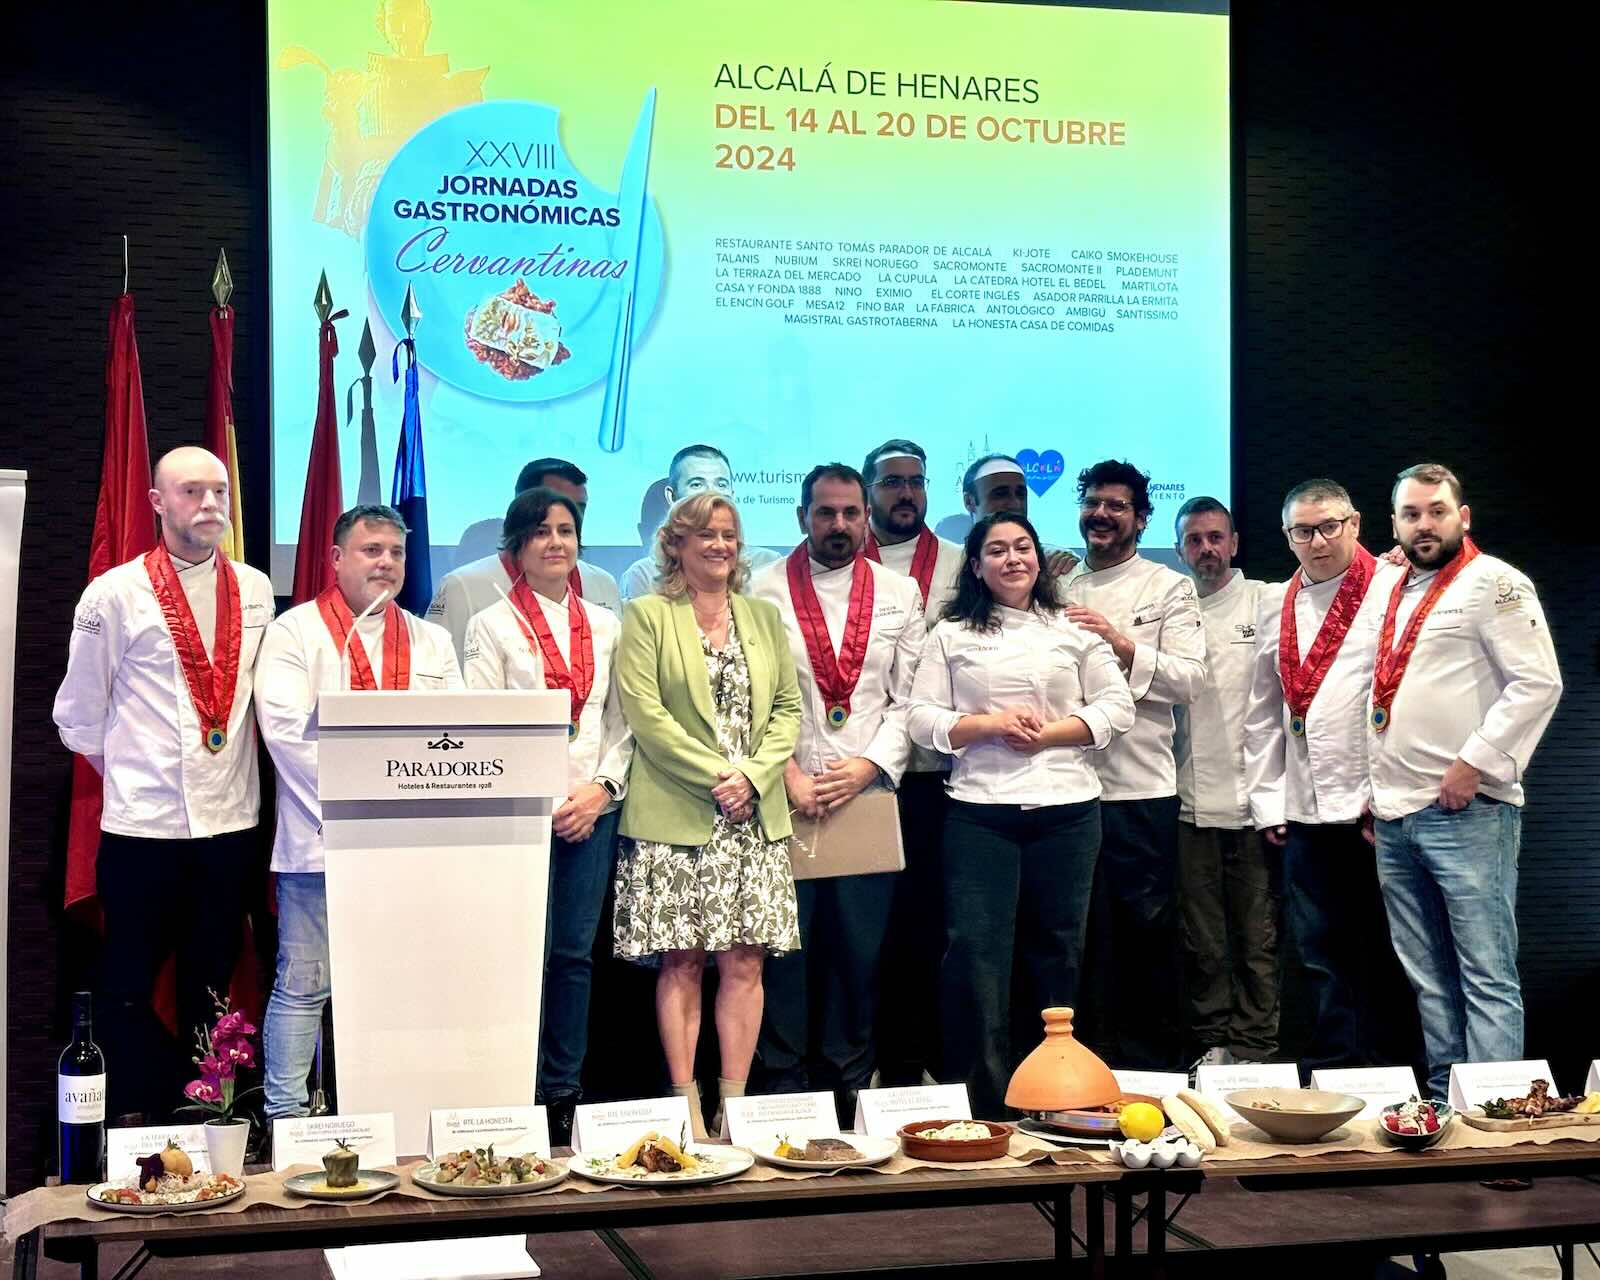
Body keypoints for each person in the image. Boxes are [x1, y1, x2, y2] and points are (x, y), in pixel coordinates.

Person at [54, 446, 275, 1121]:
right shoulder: (114, 594)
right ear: (157, 503)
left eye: (218, 491)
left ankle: (207, 1120)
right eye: (189, 492)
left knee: (212, 981)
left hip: (230, 827)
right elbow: (78, 715)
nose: (209, 505)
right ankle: (124, 1123)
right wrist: (136, 768)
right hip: (142, 829)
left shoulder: (258, 587)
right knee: (126, 983)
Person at [908, 512, 1134, 1118]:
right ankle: (984, 1099)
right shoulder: (949, 634)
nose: (1014, 559)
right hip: (979, 814)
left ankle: (1054, 1097)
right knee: (976, 953)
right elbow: (920, 719)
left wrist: (1051, 735)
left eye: (1024, 547)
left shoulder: (1073, 627)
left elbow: (1118, 707)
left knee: (1058, 951)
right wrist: (988, 726)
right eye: (998, 550)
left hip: (1068, 811)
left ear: (1038, 557)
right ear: (976, 566)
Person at [254, 504, 462, 1120]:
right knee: (303, 983)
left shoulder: (431, 639)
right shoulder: (296, 633)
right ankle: (285, 1118)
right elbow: (287, 734)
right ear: (336, 558)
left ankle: (390, 1110)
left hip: (410, 850)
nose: (387, 562)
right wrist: (376, 797)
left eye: (396, 552)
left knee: (398, 988)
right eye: (372, 550)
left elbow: (451, 735)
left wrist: (401, 801)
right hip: (321, 842)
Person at [1367, 463, 1562, 1099]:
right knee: (1426, 974)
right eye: (1412, 514)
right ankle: (1446, 1105)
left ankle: (1502, 1114)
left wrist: (1473, 761)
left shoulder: (1497, 583)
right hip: (1397, 814)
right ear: (1395, 524)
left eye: (1437, 511)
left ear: (1463, 516)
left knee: (1485, 971)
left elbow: (1539, 683)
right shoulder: (1393, 588)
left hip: (1468, 809)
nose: (1425, 525)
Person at [612, 493, 802, 1137]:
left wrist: (750, 775)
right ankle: (686, 1108)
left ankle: (736, 1107)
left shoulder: (763, 616)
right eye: (706, 536)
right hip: (678, 813)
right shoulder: (646, 615)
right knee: (683, 962)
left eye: (729, 535)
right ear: (676, 545)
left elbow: (786, 712)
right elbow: (646, 716)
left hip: (752, 818)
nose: (720, 546)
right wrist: (718, 775)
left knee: (746, 962)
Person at [750, 464, 925, 1118]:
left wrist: (869, 765)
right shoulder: (761, 590)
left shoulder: (899, 593)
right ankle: (781, 1098)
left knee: (859, 958)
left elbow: (912, 700)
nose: (840, 525)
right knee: (783, 956)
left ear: (866, 517)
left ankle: (850, 1091)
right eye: (826, 513)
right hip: (784, 794)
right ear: (801, 516)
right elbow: (747, 698)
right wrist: (785, 773)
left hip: (866, 797)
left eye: (852, 513)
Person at [462, 487, 632, 1145]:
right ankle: (513, 1086)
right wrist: (541, 800)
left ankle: (563, 1090)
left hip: (591, 812)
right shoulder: (492, 626)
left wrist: (599, 791)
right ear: (517, 549)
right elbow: (485, 727)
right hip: (519, 817)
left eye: (566, 530)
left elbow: (623, 723)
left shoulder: (609, 625)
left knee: (573, 957)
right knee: (518, 956)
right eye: (541, 533)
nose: (555, 542)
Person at [1243, 479, 1417, 1073]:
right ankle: (1337, 1077)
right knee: (1318, 952)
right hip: (1305, 810)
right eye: (1302, 531)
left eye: (1329, 526)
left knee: (1388, 950)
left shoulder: (1397, 586)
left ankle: (1397, 1077)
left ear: (1356, 523)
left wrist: (1384, 794)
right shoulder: (1276, 601)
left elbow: (1406, 702)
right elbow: (1264, 712)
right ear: (1287, 536)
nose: (1317, 541)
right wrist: (1271, 805)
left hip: (1379, 808)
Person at [1061, 459, 1207, 1070]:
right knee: (1080, 945)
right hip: (1065, 792)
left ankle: (1154, 1077)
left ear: (1141, 519)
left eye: (1116, 506)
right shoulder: (1057, 585)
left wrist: (1122, 643)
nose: (1101, 514)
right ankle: (1082, 1075)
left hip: (1141, 790)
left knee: (1145, 941)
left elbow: (1191, 679)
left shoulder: (1167, 586)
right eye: (1093, 502)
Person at [858, 439, 966, 1088]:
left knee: (929, 930)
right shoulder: (843, 567)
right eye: (893, 482)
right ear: (869, 491)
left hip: (941, 779)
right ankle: (863, 1063)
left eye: (916, 482)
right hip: (867, 776)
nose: (906, 493)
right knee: (869, 932)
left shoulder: (958, 563)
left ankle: (916, 1063)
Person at [1171, 496, 1280, 1067]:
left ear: (1234, 542)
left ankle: (1258, 1048)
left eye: (1216, 537)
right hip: (1191, 803)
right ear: (1180, 546)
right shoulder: (1170, 606)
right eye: (1194, 539)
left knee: (1257, 939)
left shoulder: (1268, 600)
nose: (1207, 549)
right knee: (1203, 941)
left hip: (1257, 806)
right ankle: (1214, 1047)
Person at [427, 457, 622, 660]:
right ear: (520, 507)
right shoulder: (463, 586)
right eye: (555, 504)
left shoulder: (603, 583)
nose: (570, 514)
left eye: (580, 508)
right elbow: (440, 673)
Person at [619, 444, 782, 601]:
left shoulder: (768, 563)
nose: (711, 493)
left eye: (721, 484)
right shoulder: (645, 574)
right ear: (672, 497)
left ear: (732, 493)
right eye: (697, 484)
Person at [955, 453, 1077, 577]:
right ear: (969, 502)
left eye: (1021, 494)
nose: (1015, 504)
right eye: (1000, 494)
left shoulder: (1054, 562)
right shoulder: (947, 565)